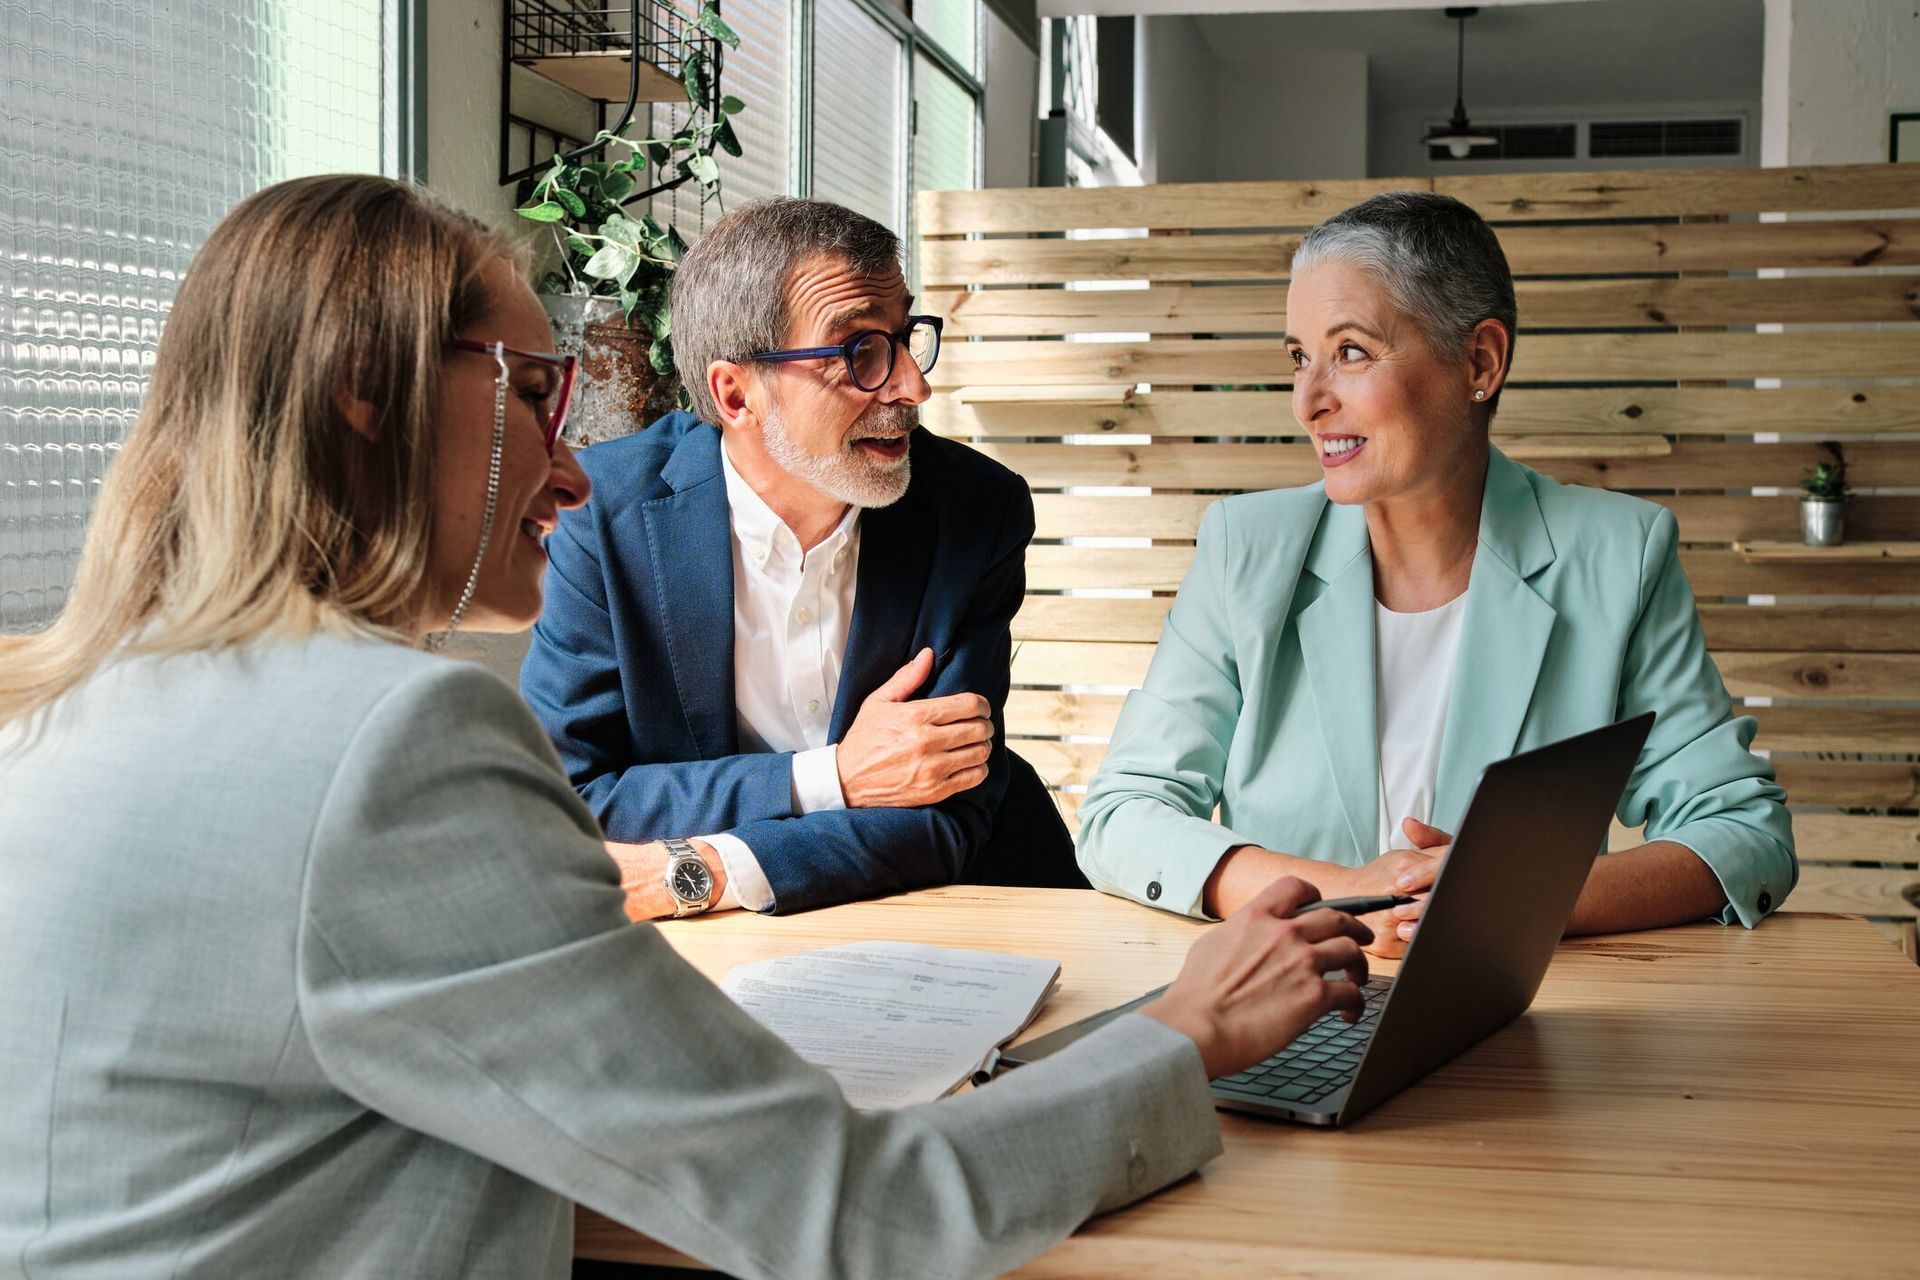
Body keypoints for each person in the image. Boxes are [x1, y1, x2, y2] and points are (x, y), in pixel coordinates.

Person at [0, 174, 1375, 1280]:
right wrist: (1181, 1039)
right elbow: (853, 1213)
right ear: (374, 391)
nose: (567, 449)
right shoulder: (390, 742)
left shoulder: (71, 709)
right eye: (536, 386)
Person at [1077, 191, 1797, 957]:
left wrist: (1512, 893)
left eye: (1350, 352)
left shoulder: (1620, 556)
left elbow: (1744, 832)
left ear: (1480, 362)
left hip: (1521, 1020)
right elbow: (1123, 815)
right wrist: (1341, 897)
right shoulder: (1243, 551)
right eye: (1299, 357)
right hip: (1294, 1011)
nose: (1308, 401)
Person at [520, 196, 1084, 921]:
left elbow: (950, 808)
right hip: (710, 949)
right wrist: (834, 777)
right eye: (860, 353)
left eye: (906, 338)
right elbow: (570, 797)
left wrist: (710, 870)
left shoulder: (976, 511)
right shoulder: (602, 515)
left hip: (959, 908)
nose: (913, 386)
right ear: (735, 393)